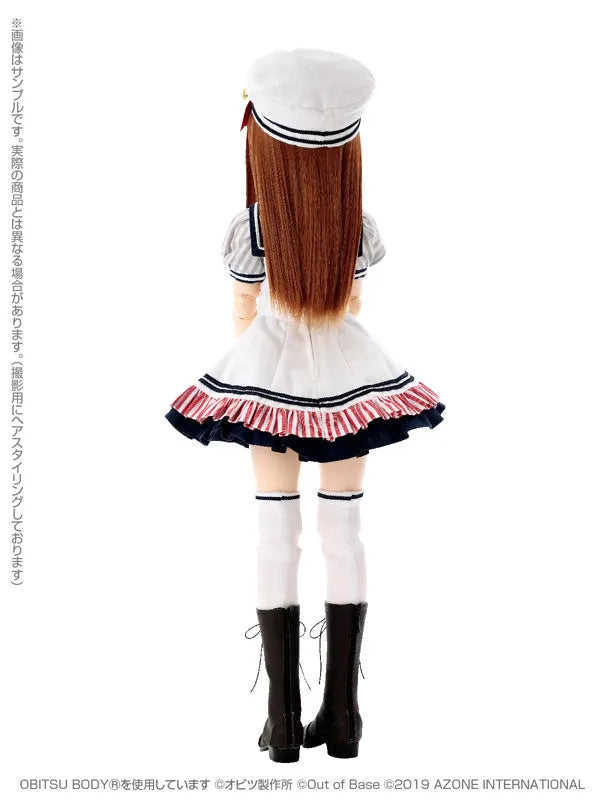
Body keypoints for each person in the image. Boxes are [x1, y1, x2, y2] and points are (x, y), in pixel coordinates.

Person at [165, 48, 446, 762]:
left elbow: (243, 315)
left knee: (275, 533)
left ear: (266, 145)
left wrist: (259, 374)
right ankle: (344, 717)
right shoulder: (355, 226)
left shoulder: (254, 230)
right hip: (351, 379)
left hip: (271, 379)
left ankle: (283, 719)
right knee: (344, 531)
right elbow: (353, 305)